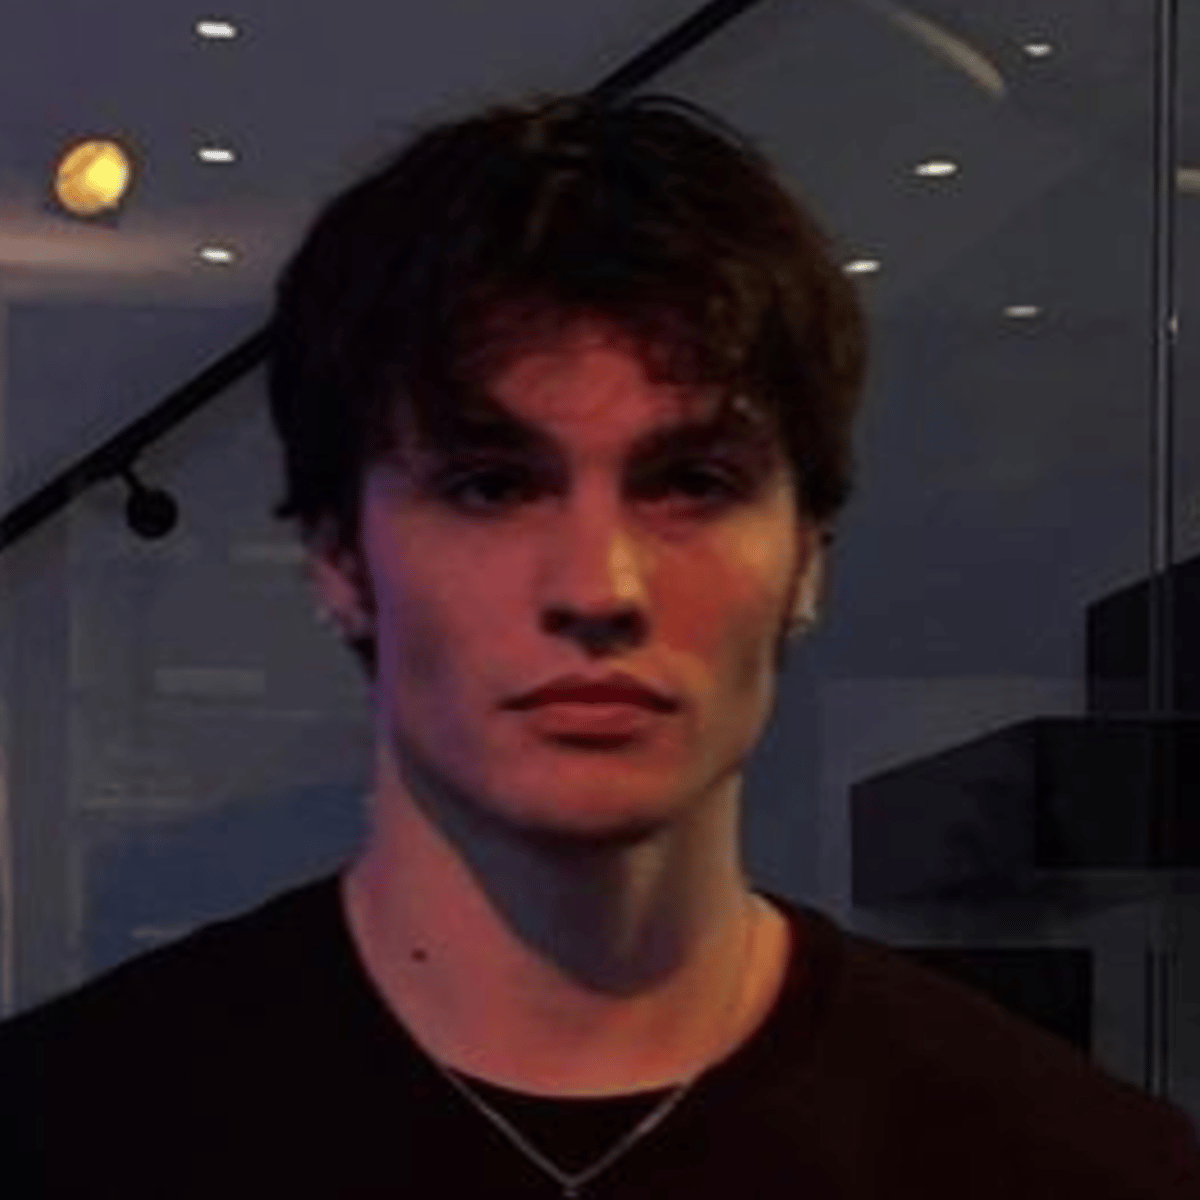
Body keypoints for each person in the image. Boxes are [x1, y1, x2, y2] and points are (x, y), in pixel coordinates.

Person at [1, 90, 1197, 1199]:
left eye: (692, 483)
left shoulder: (1077, 1167)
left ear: (808, 557)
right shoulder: (69, 1133)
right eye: (490, 485)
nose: (598, 586)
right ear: (339, 559)